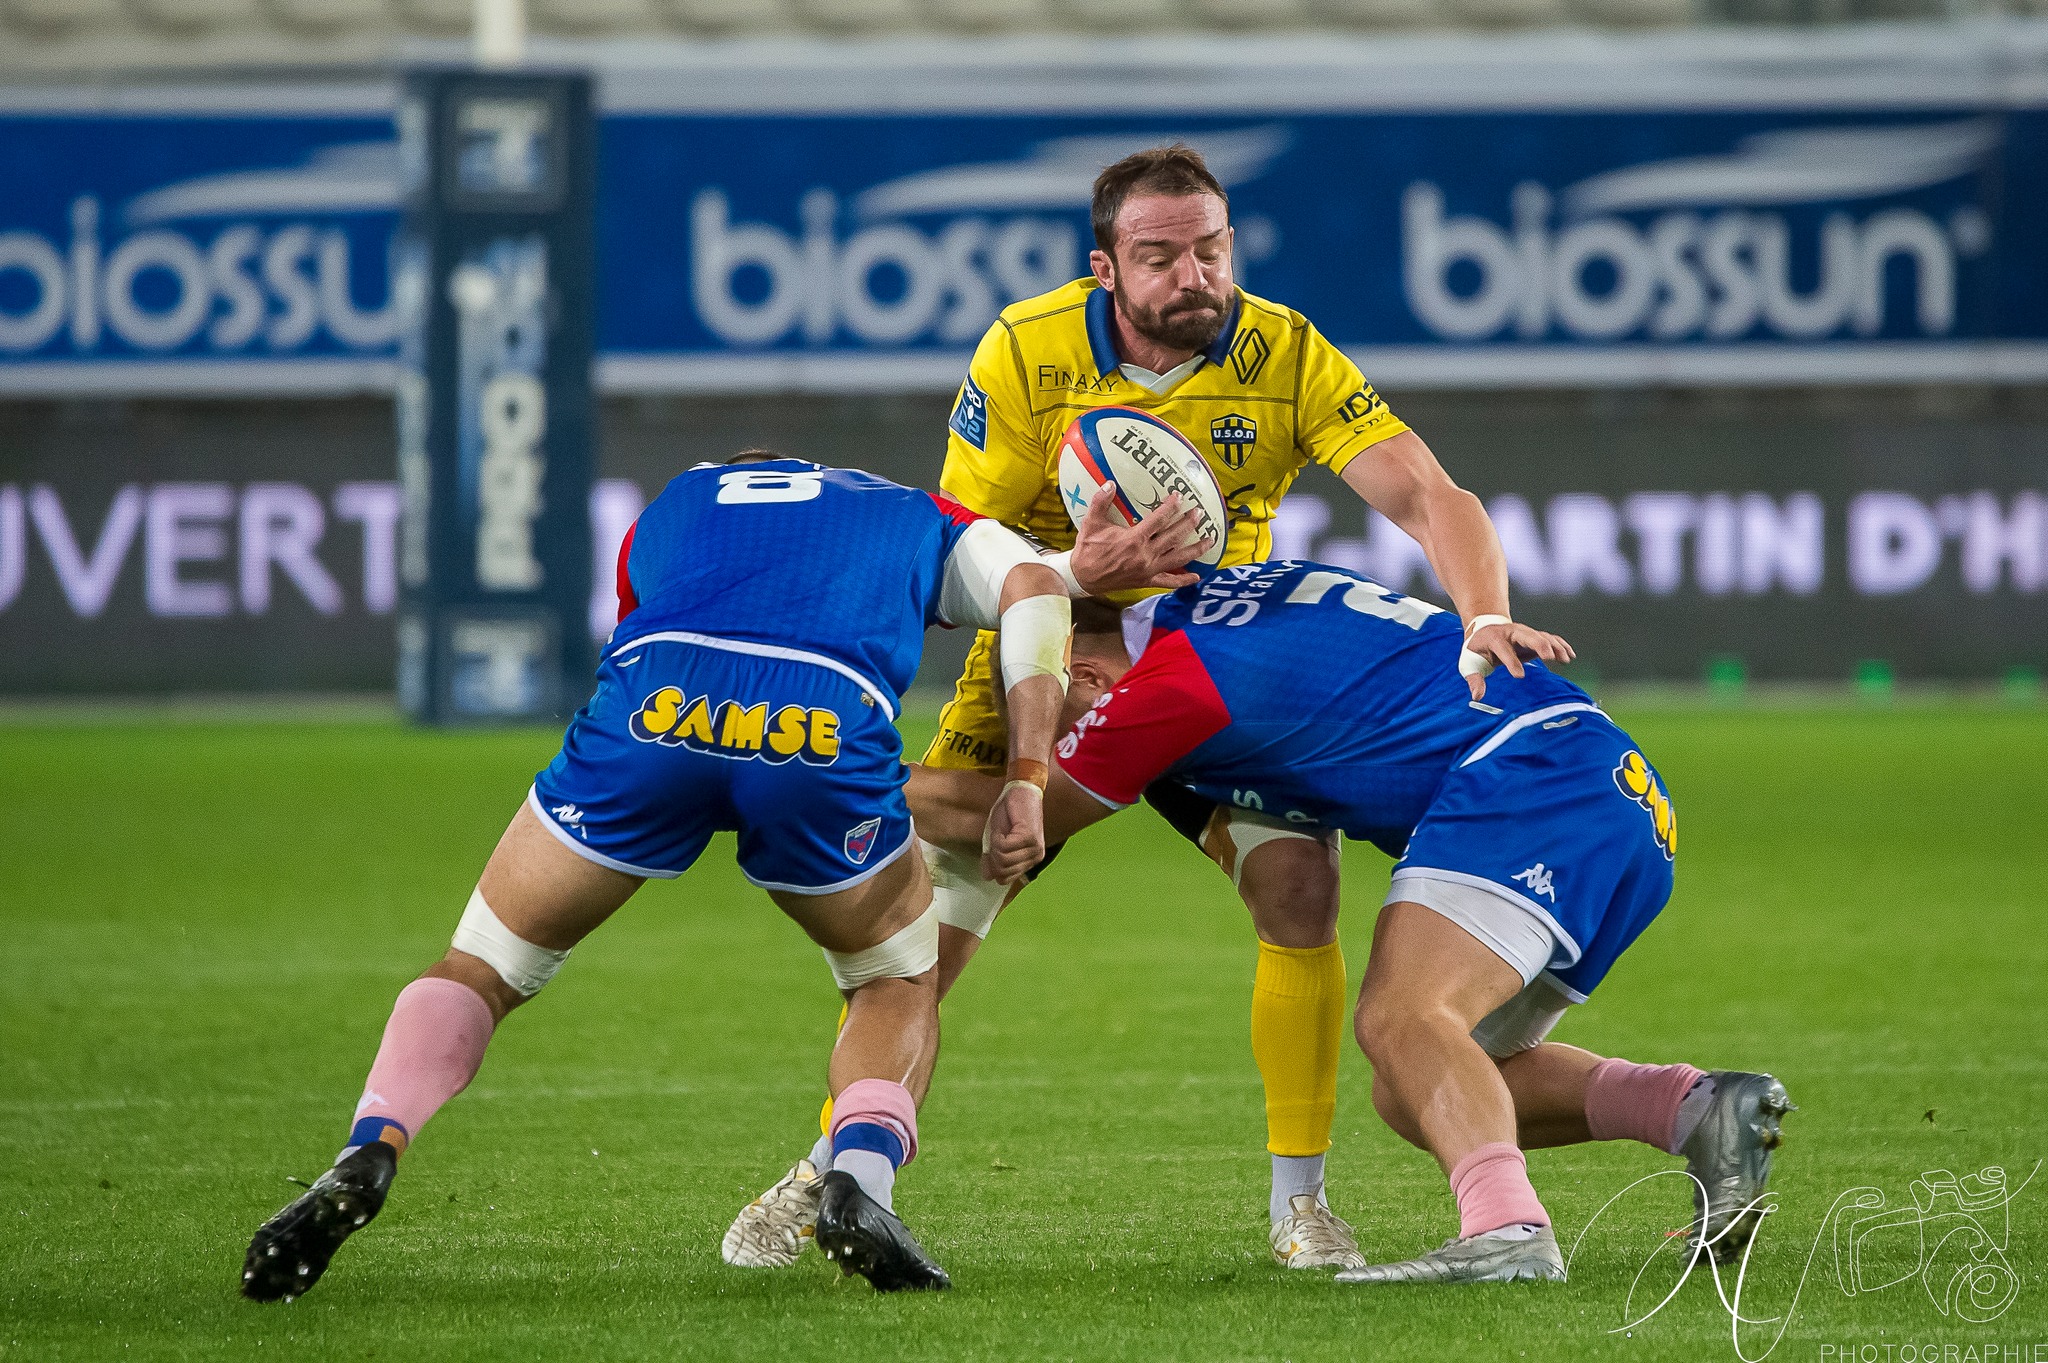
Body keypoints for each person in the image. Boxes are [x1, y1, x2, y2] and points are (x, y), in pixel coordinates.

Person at [728, 141, 1564, 1274]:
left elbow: (1423, 489)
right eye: (1159, 254)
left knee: (1297, 886)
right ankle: (826, 1170)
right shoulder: (1024, 351)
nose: (1193, 276)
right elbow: (956, 552)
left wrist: (1479, 615)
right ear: (1103, 267)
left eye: (1209, 249)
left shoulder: (1282, 350)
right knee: (926, 953)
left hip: (1220, 668)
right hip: (1040, 651)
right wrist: (1080, 580)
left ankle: (1300, 1207)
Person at [236, 452, 1190, 1301]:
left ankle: (370, 1145)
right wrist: (1024, 777)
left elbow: (636, 623)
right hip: (817, 729)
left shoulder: (679, 500)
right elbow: (1031, 589)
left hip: (657, 706)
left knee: (480, 965)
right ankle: (858, 1180)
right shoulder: (915, 513)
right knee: (895, 977)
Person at [931, 565, 1794, 1283]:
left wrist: (838, 782)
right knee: (1413, 1085)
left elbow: (1024, 815)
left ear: (1079, 674)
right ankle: (1695, 1109)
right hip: (1621, 800)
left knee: (1401, 1017)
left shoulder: (1164, 684)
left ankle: (1509, 1233)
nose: (1049, 739)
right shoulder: (1226, 601)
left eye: (1045, 714)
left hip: (1530, 775)